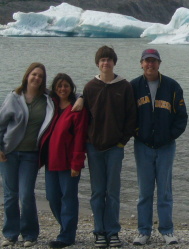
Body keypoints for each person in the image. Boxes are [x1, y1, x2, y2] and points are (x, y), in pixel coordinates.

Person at [130, 48, 188, 246]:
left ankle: (167, 230)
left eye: (154, 61)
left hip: (165, 147)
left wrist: (169, 136)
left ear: (159, 64)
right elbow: (126, 114)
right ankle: (143, 231)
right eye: (147, 61)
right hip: (143, 145)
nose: (150, 64)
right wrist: (136, 132)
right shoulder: (134, 86)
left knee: (164, 191)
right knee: (144, 192)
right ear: (141, 63)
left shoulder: (172, 86)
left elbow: (182, 117)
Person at [82, 46, 136, 248]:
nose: (106, 63)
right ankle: (99, 232)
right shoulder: (90, 87)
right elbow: (83, 117)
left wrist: (122, 141)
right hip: (94, 147)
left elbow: (131, 117)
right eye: (102, 60)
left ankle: (113, 231)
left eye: (109, 60)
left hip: (115, 147)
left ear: (114, 62)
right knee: (97, 192)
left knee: (112, 191)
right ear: (98, 63)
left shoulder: (124, 86)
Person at [0, 63, 55, 247]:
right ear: (27, 76)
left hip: (30, 155)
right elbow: (1, 123)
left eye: (40, 76)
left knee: (26, 195)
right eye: (34, 74)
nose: (36, 78)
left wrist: (80, 99)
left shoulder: (47, 98)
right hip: (9, 153)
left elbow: (69, 94)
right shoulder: (14, 97)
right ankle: (10, 234)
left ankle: (30, 234)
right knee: (10, 195)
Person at [39, 73, 88, 248]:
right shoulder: (51, 105)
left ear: (71, 88)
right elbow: (38, 89)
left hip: (68, 164)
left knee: (68, 198)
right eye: (59, 86)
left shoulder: (76, 109)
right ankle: (66, 228)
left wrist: (77, 164)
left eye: (66, 85)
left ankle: (67, 235)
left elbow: (80, 138)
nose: (62, 89)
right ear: (55, 88)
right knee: (52, 198)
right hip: (51, 162)